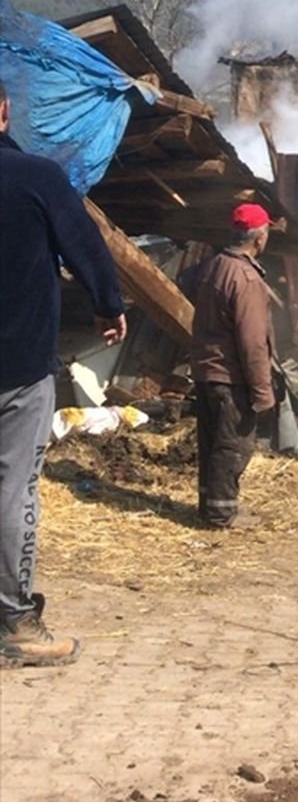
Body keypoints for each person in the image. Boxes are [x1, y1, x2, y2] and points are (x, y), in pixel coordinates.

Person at [0, 78, 127, 667]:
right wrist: (108, 303)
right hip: (18, 367)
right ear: (3, 111)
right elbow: (85, 245)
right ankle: (16, 625)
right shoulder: (35, 178)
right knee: (13, 489)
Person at [189, 202, 277, 529]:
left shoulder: (214, 266)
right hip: (231, 377)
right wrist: (262, 392)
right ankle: (222, 513)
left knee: (211, 444)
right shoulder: (247, 278)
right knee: (233, 447)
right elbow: (252, 341)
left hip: (206, 372)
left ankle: (207, 507)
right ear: (259, 238)